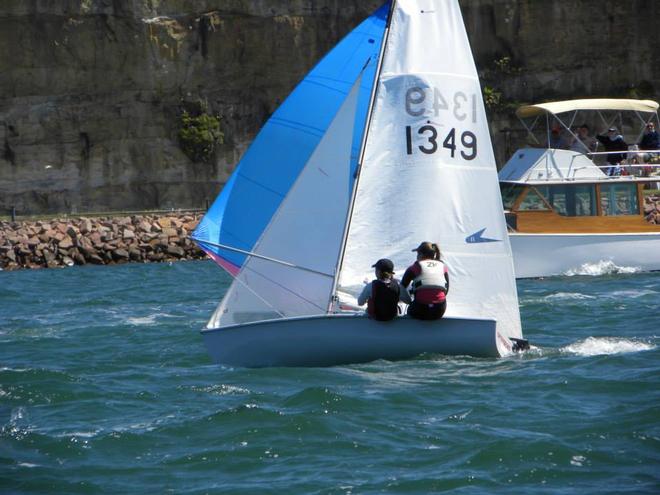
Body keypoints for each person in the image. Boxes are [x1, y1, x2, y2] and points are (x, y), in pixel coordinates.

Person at [401, 242, 449, 320]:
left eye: (417, 254)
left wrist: (410, 302)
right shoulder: (443, 266)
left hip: (420, 310)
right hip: (439, 310)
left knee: (410, 310)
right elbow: (446, 290)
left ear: (421, 254)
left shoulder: (414, 267)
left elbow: (401, 288)